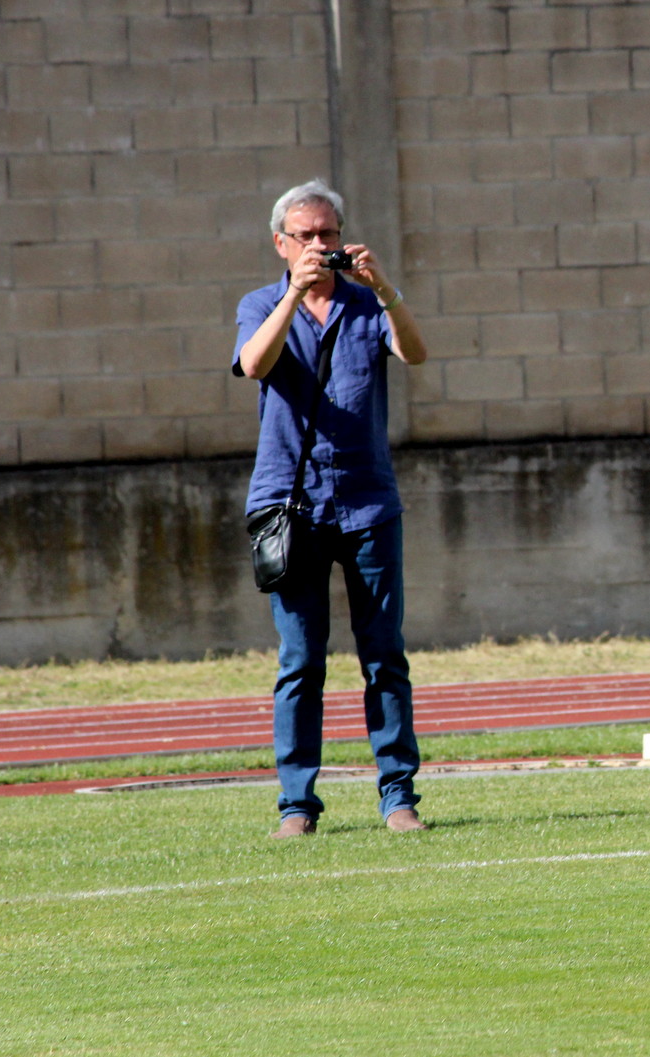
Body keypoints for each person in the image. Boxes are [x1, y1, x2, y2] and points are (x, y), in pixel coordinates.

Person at [234, 178, 431, 839]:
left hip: (368, 501)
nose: (320, 245)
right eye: (307, 235)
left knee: (384, 655)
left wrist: (386, 288)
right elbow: (255, 364)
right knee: (300, 661)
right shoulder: (261, 304)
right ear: (281, 244)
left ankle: (398, 797)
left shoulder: (367, 305)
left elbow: (416, 352)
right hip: (290, 507)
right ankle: (297, 805)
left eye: (329, 234)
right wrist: (294, 293)